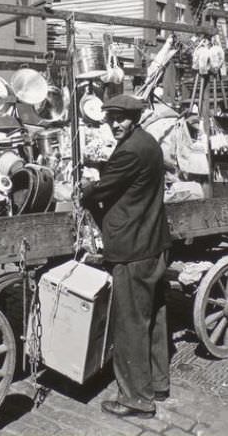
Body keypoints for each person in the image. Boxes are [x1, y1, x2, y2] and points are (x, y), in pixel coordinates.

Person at [81, 93, 173, 419]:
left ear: (134, 117)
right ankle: (158, 384)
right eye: (110, 118)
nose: (114, 124)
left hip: (133, 248)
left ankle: (136, 399)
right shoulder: (146, 142)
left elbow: (100, 190)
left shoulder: (131, 151)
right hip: (154, 243)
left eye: (120, 118)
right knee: (155, 318)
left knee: (131, 325)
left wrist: (85, 188)